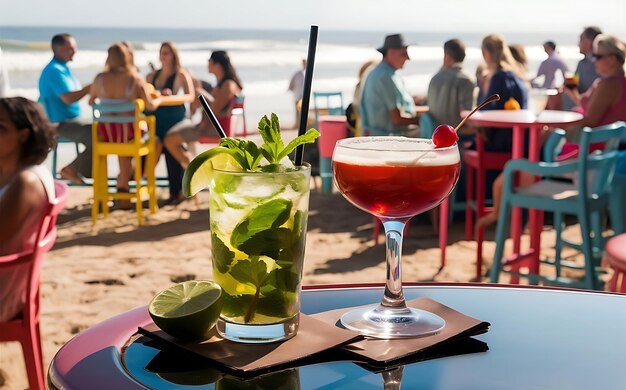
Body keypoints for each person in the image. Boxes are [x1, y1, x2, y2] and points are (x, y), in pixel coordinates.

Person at [0, 97, 56, 321]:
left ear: (23, 135)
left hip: (4, 294)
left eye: (0, 127)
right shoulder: (12, 173)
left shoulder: (26, 182)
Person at [88, 43, 160, 207]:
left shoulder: (99, 79)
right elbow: (150, 105)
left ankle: (118, 191)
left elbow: (91, 101)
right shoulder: (134, 79)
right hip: (129, 134)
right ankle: (126, 190)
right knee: (152, 140)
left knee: (123, 150)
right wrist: (159, 99)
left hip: (106, 134)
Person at [473, 33, 529, 228]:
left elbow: (487, 114)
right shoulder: (517, 76)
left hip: (502, 142)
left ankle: (482, 212)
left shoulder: (497, 78)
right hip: (520, 141)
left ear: (486, 53)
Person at [164, 50, 243, 169]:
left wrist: (201, 94)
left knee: (169, 140)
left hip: (215, 129)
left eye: (209, 61)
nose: (207, 64)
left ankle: (195, 169)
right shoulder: (222, 84)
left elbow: (214, 110)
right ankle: (192, 168)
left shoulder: (228, 85)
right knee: (179, 135)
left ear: (218, 65)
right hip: (214, 126)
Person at [559, 34, 626, 159]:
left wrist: (560, 124)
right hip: (605, 151)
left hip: (595, 154)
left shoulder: (608, 85)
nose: (593, 60)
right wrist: (572, 93)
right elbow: (590, 107)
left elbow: (590, 120)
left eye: (597, 56)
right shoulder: (613, 82)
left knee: (540, 153)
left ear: (612, 59)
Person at [38, 33, 92, 184]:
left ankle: (81, 171)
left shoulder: (63, 68)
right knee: (97, 135)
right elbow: (68, 98)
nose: (75, 51)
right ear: (60, 49)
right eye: (71, 48)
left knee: (101, 130)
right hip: (59, 124)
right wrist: (91, 88)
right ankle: (72, 169)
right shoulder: (54, 70)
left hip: (69, 120)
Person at [146, 42, 194, 204]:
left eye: (167, 53)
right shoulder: (153, 75)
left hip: (175, 119)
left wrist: (169, 97)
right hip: (156, 121)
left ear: (174, 55)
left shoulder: (180, 74)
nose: (163, 56)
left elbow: (190, 96)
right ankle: (169, 192)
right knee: (155, 151)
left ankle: (180, 191)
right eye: (161, 52)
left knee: (172, 146)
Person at [359, 34, 420, 136]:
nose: (408, 58)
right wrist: (422, 120)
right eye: (403, 54)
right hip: (387, 139)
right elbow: (396, 119)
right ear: (391, 53)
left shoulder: (378, 72)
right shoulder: (385, 76)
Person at [426, 39, 475, 133]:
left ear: (447, 55)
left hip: (435, 134)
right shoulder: (466, 80)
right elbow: (467, 115)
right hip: (455, 136)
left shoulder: (435, 78)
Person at [288, 59, 305, 129]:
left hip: (301, 96)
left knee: (301, 111)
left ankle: (299, 125)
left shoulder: (304, 73)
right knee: (298, 111)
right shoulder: (298, 74)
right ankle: (298, 125)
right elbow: (291, 85)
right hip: (298, 96)